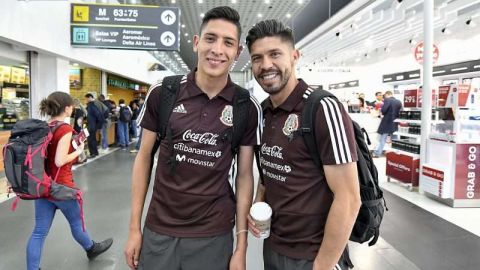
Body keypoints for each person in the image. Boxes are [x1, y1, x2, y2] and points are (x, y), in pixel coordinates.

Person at [124, 6, 261, 270]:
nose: (217, 49)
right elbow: (143, 159)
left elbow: (245, 176)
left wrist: (241, 248)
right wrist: (134, 229)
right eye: (210, 38)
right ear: (197, 42)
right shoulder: (163, 93)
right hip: (159, 230)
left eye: (228, 43)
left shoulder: (245, 106)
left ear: (237, 53)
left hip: (214, 233)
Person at [246, 20, 361, 270]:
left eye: (275, 54)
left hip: (314, 255)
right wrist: (258, 201)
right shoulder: (262, 113)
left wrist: (323, 265)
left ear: (295, 56)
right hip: (274, 247)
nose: (266, 65)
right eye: (257, 58)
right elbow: (267, 174)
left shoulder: (322, 108)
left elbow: (350, 199)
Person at [28, 92, 113, 270]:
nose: (73, 108)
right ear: (66, 108)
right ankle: (91, 248)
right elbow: (59, 161)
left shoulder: (45, 126)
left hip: (43, 186)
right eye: (71, 105)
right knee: (76, 224)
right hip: (62, 187)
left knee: (38, 232)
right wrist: (78, 150)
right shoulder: (65, 129)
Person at [373, 90, 402, 157]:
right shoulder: (399, 101)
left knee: (382, 138)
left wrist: (382, 112)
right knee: (395, 139)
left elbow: (384, 110)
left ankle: (377, 153)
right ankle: (397, 153)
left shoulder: (387, 100)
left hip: (387, 122)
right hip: (395, 122)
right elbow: (401, 112)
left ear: (387, 95)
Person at [84, 93, 104, 158]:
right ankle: (95, 152)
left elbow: (99, 116)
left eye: (86, 98)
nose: (85, 100)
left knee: (90, 139)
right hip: (92, 125)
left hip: (91, 126)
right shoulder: (92, 106)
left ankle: (93, 153)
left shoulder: (92, 106)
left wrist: (97, 125)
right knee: (93, 139)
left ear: (89, 97)